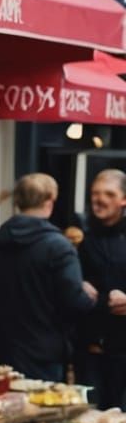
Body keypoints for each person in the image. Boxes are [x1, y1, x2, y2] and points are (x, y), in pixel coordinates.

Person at [0, 173, 97, 381]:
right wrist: (89, 296)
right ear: (50, 201)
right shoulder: (59, 248)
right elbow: (75, 302)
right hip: (45, 355)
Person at [77, 168, 126, 409]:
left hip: (123, 348)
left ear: (123, 199)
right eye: (95, 193)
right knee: (90, 420)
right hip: (91, 348)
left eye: (108, 193)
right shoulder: (80, 239)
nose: (100, 199)